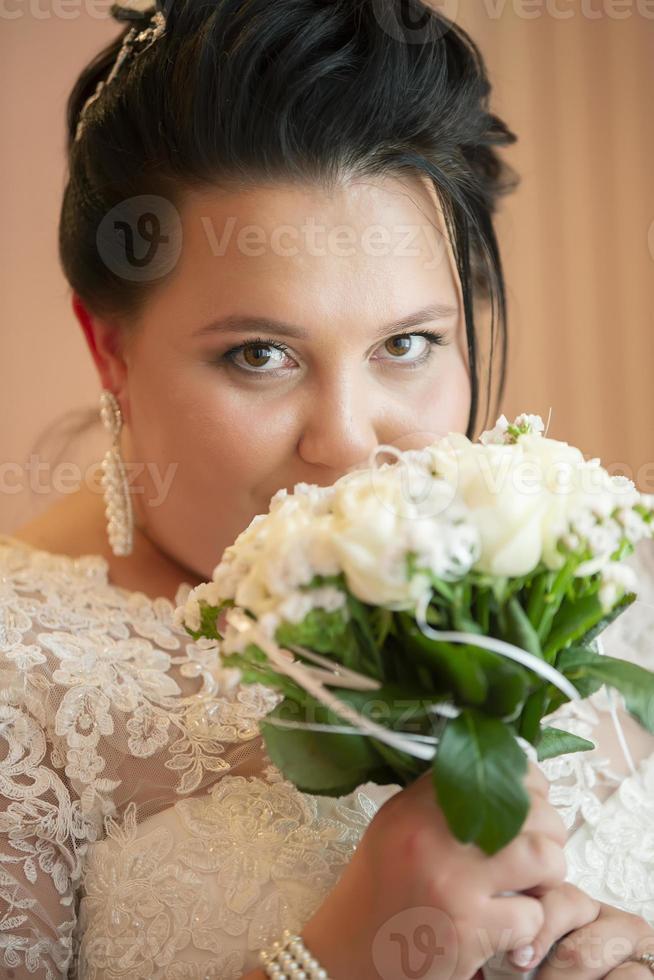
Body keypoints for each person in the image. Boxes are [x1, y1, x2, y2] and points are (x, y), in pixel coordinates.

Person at [1, 1, 653, 977]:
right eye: (260, 352)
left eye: (406, 343)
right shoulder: (24, 680)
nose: (349, 440)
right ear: (112, 346)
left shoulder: (605, 567)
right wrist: (335, 958)